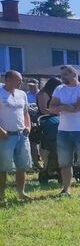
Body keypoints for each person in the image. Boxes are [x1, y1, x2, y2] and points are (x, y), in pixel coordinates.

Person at [50, 66, 80, 198]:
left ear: (74, 75)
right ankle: (66, 190)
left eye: (65, 75)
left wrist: (61, 107)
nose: (62, 77)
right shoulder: (59, 89)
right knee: (65, 163)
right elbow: (51, 108)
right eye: (61, 75)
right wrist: (64, 107)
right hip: (63, 130)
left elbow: (78, 108)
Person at [0, 70, 32, 202]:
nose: (21, 82)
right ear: (8, 80)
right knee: (3, 167)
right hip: (5, 136)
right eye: (18, 80)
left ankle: (21, 192)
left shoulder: (22, 94)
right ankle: (1, 195)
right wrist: (0, 130)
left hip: (21, 134)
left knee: (22, 165)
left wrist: (28, 126)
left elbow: (25, 113)